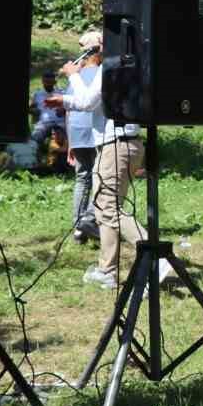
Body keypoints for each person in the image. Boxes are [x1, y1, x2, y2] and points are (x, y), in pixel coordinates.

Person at [45, 30, 169, 286]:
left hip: (116, 146)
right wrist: (64, 100)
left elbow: (89, 101)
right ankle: (107, 270)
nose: (84, 48)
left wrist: (74, 75)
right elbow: (93, 103)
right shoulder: (125, 67)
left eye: (88, 44)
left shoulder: (109, 69)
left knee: (108, 208)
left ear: (100, 46)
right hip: (124, 145)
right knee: (105, 211)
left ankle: (156, 258)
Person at [64, 33, 101, 244]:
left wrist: (70, 140)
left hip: (76, 131)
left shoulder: (75, 75)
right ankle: (89, 218)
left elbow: (68, 108)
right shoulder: (102, 73)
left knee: (82, 178)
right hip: (95, 130)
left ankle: (78, 227)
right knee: (99, 177)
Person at [29, 70, 67, 166]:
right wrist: (34, 110)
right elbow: (31, 108)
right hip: (43, 123)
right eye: (46, 82)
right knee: (35, 138)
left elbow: (69, 107)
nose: (48, 84)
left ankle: (62, 163)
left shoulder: (61, 93)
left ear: (55, 82)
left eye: (50, 82)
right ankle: (37, 163)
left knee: (66, 136)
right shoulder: (37, 94)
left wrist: (63, 110)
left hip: (60, 122)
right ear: (42, 81)